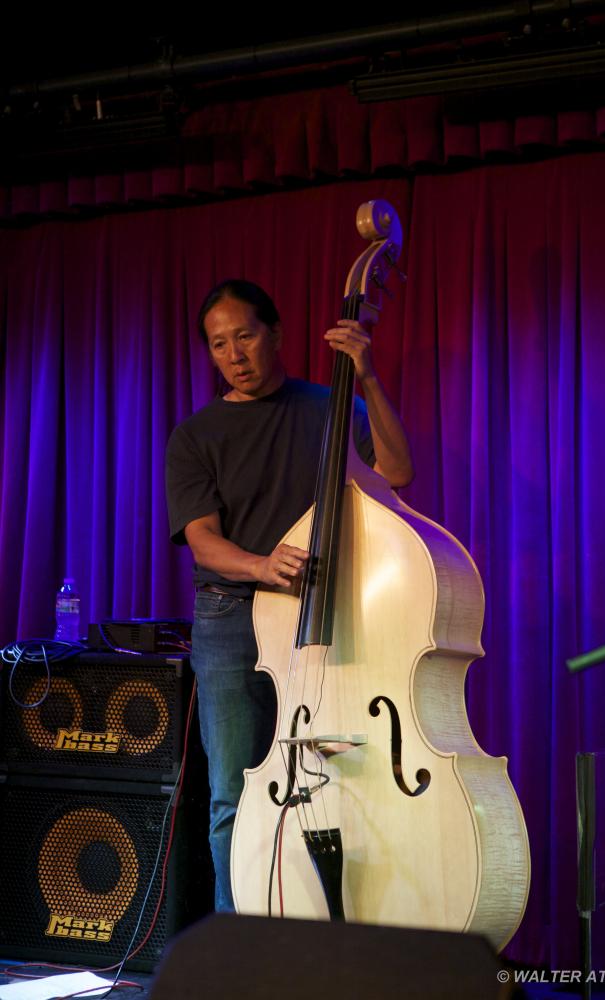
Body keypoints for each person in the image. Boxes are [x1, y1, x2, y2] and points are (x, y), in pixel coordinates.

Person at [165, 279, 413, 912]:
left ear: (275, 334)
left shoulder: (328, 406)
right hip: (230, 618)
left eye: (245, 336)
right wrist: (262, 564)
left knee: (337, 782)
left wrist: (369, 378)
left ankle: (326, 929)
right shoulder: (196, 435)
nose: (234, 354)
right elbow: (204, 543)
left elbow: (397, 471)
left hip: (319, 614)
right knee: (234, 791)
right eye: (219, 345)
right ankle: (238, 939)